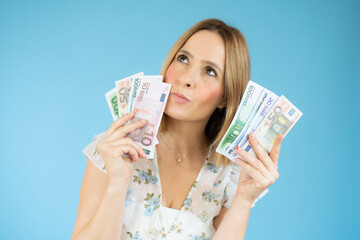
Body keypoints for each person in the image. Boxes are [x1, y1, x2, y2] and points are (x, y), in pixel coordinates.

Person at [71, 18, 282, 240]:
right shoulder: (112, 148)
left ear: (225, 97)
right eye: (183, 59)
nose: (186, 78)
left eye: (210, 71)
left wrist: (244, 199)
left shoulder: (229, 174)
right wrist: (117, 183)